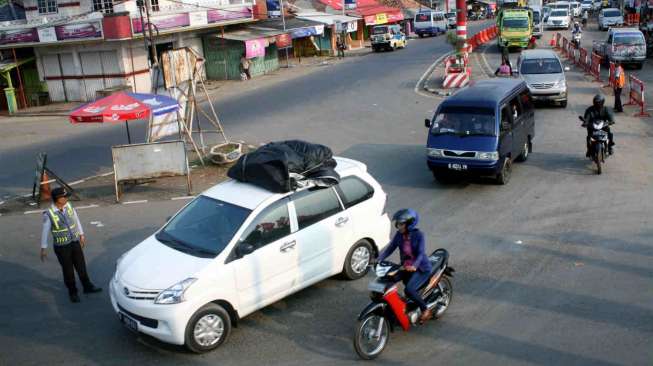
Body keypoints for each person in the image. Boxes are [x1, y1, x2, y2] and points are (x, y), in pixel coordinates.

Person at [40, 187, 101, 303]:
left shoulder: (69, 206)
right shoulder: (49, 214)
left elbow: (76, 219)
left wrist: (81, 234)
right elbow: (45, 230)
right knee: (68, 270)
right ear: (58, 199)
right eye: (64, 197)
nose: (67, 198)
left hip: (74, 241)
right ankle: (72, 292)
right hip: (62, 247)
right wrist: (43, 248)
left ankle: (87, 286)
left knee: (81, 266)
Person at [377, 209, 433, 323]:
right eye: (398, 224)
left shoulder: (419, 235)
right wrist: (378, 259)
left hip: (421, 269)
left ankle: (425, 310)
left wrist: (415, 266)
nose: (398, 226)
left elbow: (421, 253)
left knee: (409, 290)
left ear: (409, 224)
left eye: (401, 224)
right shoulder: (399, 235)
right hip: (404, 267)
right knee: (386, 280)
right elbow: (390, 248)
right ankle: (396, 306)